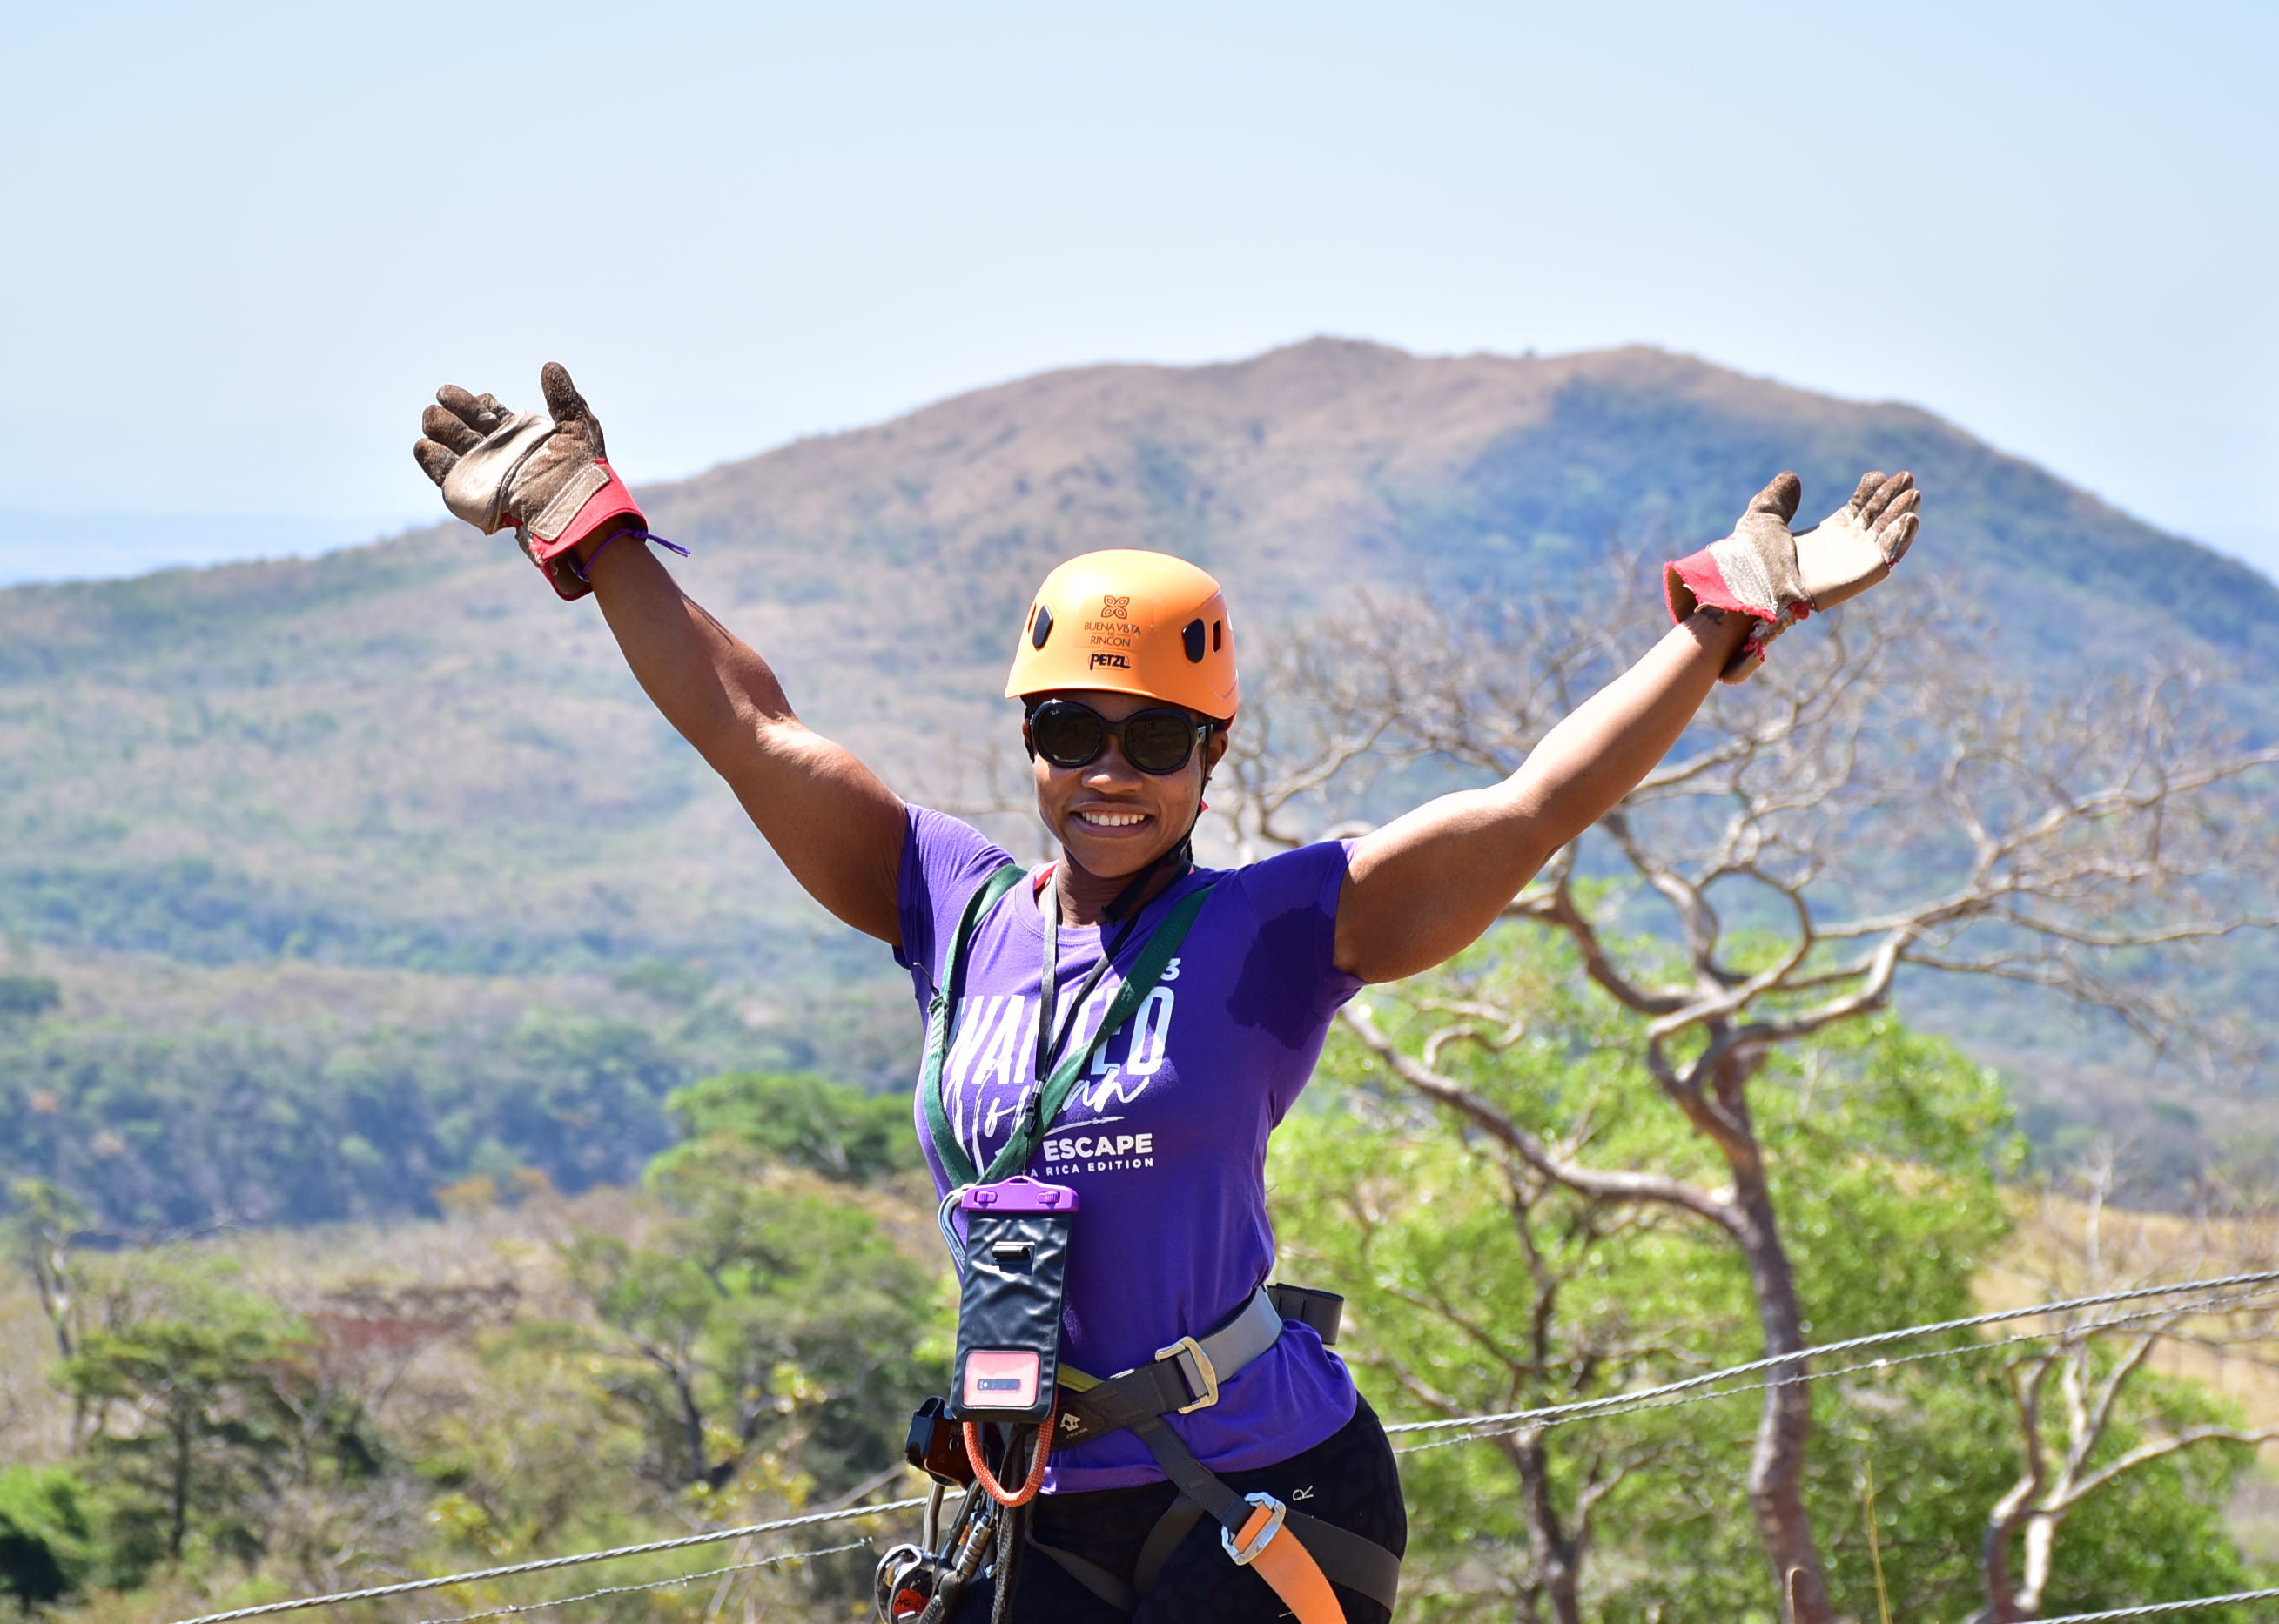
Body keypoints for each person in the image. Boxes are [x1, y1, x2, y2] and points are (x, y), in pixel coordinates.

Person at [411, 364, 1919, 1623]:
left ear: (1215, 759)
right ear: (1031, 746)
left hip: (1267, 1488)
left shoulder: (1277, 931)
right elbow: (751, 727)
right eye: (1073, 730)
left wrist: (1722, 616)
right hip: (1036, 1497)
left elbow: (1532, 805)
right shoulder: (950, 909)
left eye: (1155, 738)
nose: (1111, 771)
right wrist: (589, 529)